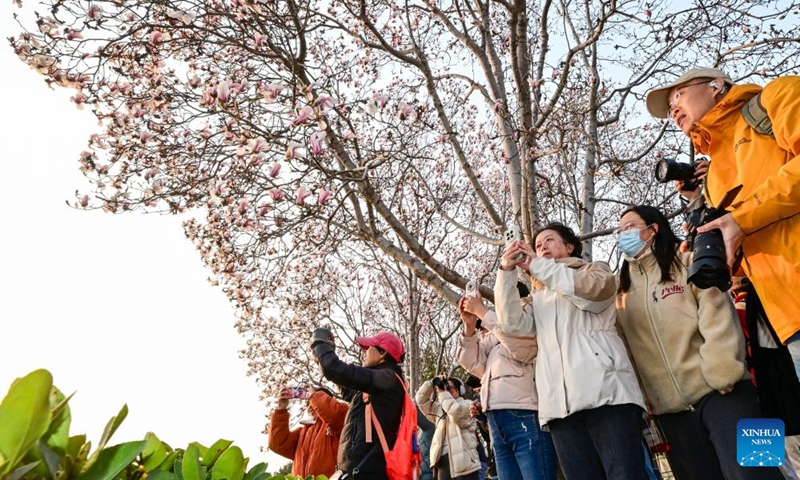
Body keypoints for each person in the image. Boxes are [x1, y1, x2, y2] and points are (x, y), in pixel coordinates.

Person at [646, 67, 800, 381]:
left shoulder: (775, 99)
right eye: (670, 108)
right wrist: (714, 247)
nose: (674, 109)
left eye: (678, 95)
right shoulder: (714, 179)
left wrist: (741, 218)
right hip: (789, 321)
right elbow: (748, 259)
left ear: (716, 85)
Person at [615, 205, 782, 480]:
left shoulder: (688, 261)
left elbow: (718, 313)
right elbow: (627, 351)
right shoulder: (620, 291)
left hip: (730, 391)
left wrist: (723, 372)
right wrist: (645, 399)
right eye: (619, 231)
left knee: (761, 471)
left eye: (630, 227)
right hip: (670, 411)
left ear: (653, 229)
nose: (623, 235)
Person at [494, 222, 648, 480]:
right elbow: (512, 326)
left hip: (608, 396)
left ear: (569, 246)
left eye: (549, 241)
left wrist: (539, 266)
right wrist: (506, 273)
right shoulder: (537, 299)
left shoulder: (595, 270)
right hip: (560, 409)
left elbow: (593, 293)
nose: (542, 248)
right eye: (538, 245)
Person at [457, 283, 557, 480]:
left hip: (526, 413)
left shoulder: (531, 319)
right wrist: (469, 327)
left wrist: (483, 312)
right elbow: (473, 363)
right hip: (497, 419)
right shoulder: (495, 333)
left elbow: (523, 347)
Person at [311, 329, 407, 479]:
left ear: (382, 353)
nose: (365, 353)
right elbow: (344, 385)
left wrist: (318, 343)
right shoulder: (378, 384)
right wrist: (325, 354)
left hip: (368, 471)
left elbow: (336, 370)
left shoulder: (387, 378)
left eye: (369, 348)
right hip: (360, 469)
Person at [268, 386, 348, 478]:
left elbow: (335, 415)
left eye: (313, 402)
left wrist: (314, 396)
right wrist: (280, 410)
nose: (310, 406)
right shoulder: (302, 432)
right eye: (308, 403)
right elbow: (278, 444)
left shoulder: (339, 421)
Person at [416, 376, 481, 480]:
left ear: (459, 390)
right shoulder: (439, 409)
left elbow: (455, 413)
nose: (446, 390)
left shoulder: (468, 404)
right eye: (444, 387)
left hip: (465, 463)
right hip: (443, 461)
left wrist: (442, 393)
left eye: (449, 387)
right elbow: (421, 400)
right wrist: (432, 383)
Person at [418, 402, 436, 480]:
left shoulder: (431, 423)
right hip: (423, 469)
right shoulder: (421, 431)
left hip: (428, 471)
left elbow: (416, 414)